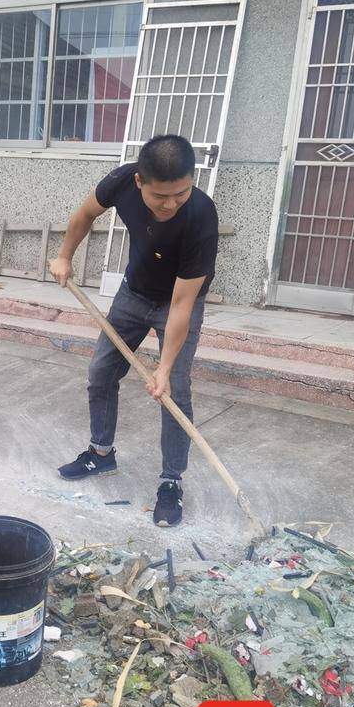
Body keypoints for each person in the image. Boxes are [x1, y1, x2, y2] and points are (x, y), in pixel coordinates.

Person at [49, 135, 218, 528]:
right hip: (133, 294)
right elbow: (84, 214)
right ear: (140, 181)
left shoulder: (200, 216)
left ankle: (171, 481)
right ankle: (101, 453)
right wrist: (63, 256)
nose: (171, 204)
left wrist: (164, 368)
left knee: (174, 391)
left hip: (176, 302)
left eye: (181, 193)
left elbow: (182, 305)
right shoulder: (121, 181)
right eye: (160, 196)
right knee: (101, 373)